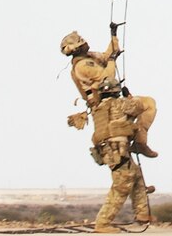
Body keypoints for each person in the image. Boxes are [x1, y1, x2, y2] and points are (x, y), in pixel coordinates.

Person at [61, 26, 157, 158]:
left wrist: (113, 35)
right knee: (148, 104)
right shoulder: (83, 66)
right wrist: (112, 60)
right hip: (107, 103)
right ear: (76, 48)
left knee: (146, 104)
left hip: (112, 100)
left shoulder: (89, 58)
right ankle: (140, 141)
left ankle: (138, 140)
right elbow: (107, 77)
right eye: (81, 41)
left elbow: (107, 55)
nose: (85, 42)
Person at [89, 96, 153, 234]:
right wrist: (130, 97)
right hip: (117, 149)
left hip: (109, 149)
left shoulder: (99, 108)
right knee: (123, 184)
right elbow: (144, 105)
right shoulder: (120, 103)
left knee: (135, 174)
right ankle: (103, 223)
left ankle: (142, 214)